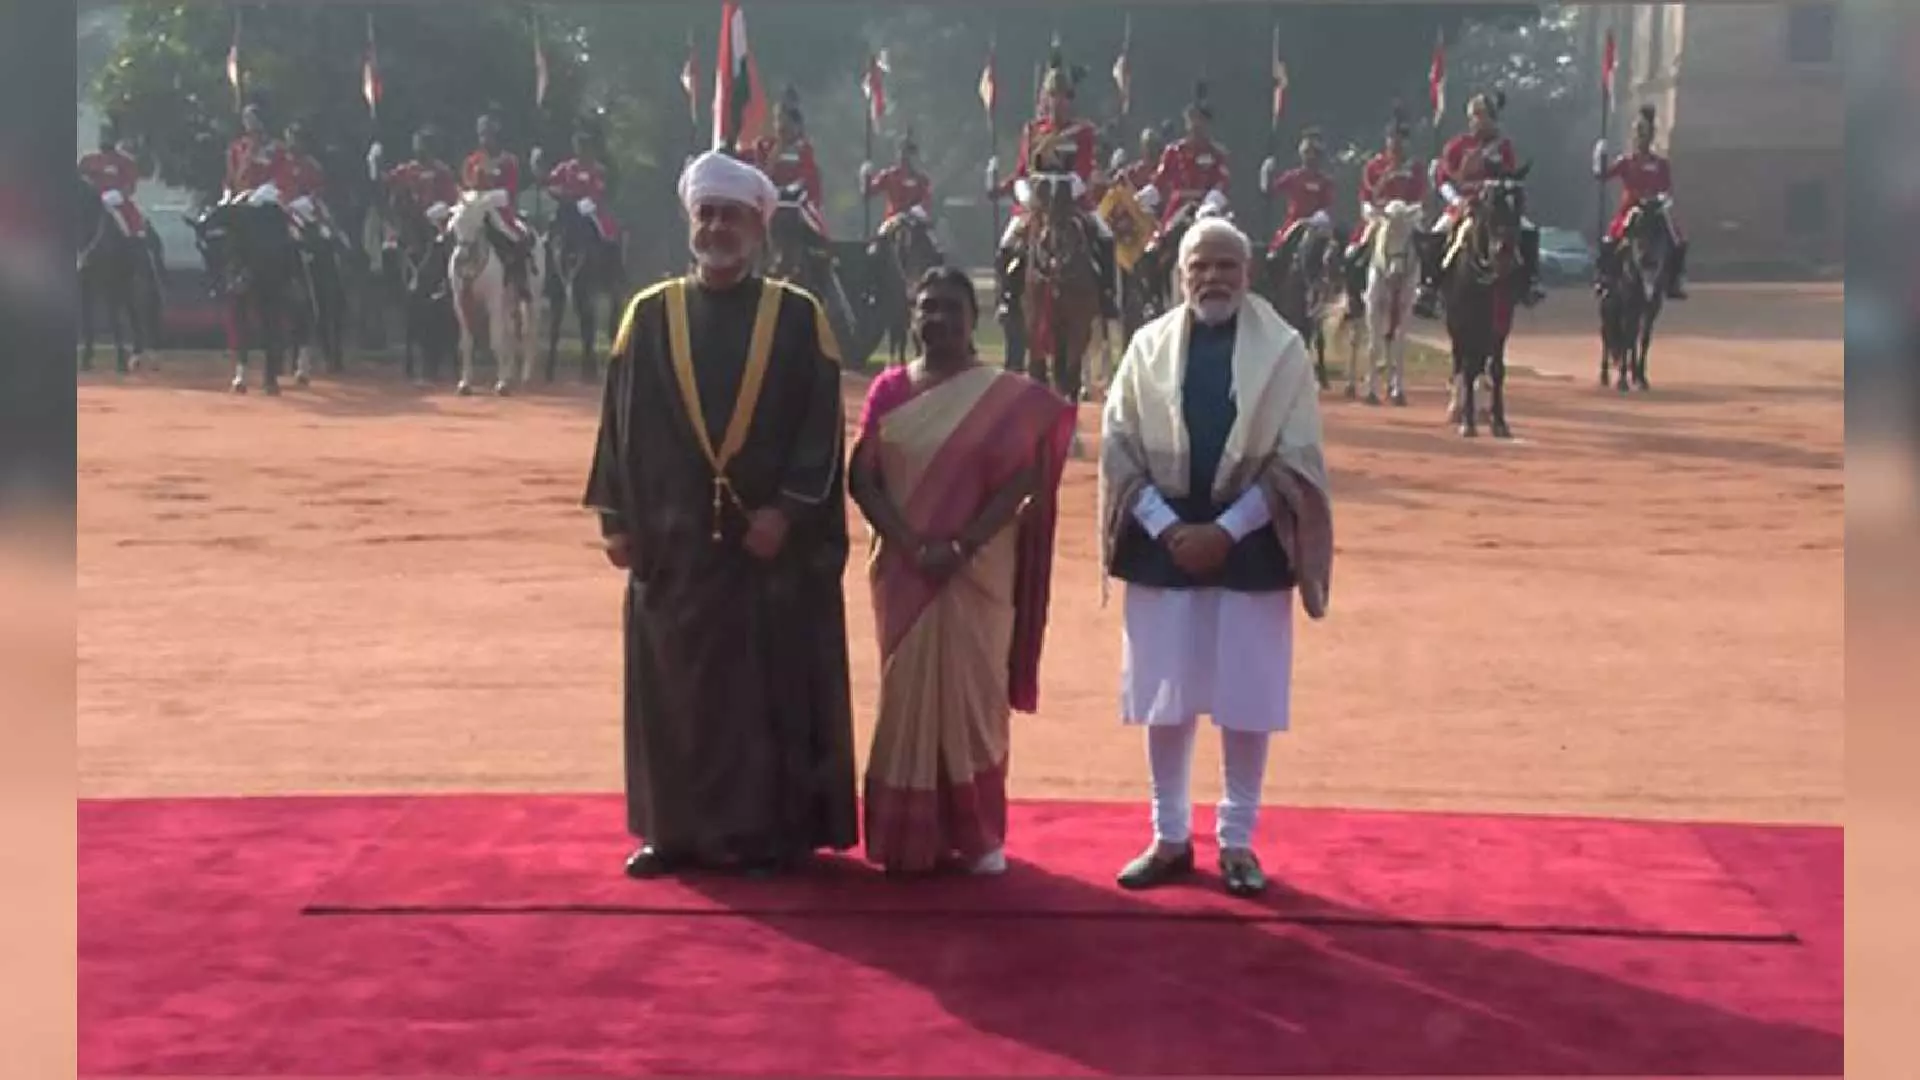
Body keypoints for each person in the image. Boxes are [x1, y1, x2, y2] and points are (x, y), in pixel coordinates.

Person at [582, 150, 860, 879]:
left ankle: (765, 836)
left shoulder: (796, 317)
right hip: (673, 544)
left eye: (731, 216)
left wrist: (786, 513)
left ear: (758, 228)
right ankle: (671, 832)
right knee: (674, 688)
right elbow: (618, 423)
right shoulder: (649, 316)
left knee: (760, 695)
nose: (716, 227)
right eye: (705, 213)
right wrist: (616, 519)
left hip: (766, 549)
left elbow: (819, 430)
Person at [1097, 215, 1333, 899]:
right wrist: (1169, 529)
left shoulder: (1284, 352)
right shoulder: (1145, 347)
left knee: (1245, 699)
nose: (1213, 278)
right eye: (1199, 266)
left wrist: (1225, 532)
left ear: (1248, 273)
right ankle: (1169, 836)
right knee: (1165, 697)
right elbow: (1118, 447)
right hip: (1161, 544)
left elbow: (1295, 460)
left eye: (1226, 265)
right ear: (1180, 275)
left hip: (1252, 546)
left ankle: (1236, 841)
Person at [850, 266, 1076, 877]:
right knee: (906, 697)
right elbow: (862, 479)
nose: (939, 319)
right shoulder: (890, 391)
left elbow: (1026, 478)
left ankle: (977, 835)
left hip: (978, 572)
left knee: (976, 699)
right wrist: (911, 545)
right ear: (912, 317)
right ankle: (907, 838)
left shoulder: (1007, 398)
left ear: (974, 320)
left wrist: (962, 545)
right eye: (927, 307)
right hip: (904, 573)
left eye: (952, 308)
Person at [989, 51, 1120, 321]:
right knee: (1006, 245)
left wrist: (1061, 192)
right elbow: (1023, 171)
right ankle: (1007, 298)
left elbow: (1082, 171)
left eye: (1062, 97)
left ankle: (1107, 296)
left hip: (1072, 201)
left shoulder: (1082, 131)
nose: (1057, 103)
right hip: (1036, 204)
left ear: (1070, 100)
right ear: (1045, 99)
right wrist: (1008, 189)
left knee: (1105, 238)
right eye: (1052, 96)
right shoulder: (1033, 131)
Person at [1414, 90, 1545, 317]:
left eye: (1483, 116)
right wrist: (1457, 201)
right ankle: (1429, 288)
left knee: (1528, 229)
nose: (1478, 121)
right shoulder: (1457, 145)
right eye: (1475, 116)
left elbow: (1510, 177)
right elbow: (1444, 180)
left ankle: (1530, 282)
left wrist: (1498, 189)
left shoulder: (1503, 146)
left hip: (1494, 204)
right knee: (1437, 233)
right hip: (1463, 203)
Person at [1593, 103, 1688, 299]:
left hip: (1655, 208)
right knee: (1611, 238)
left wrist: (1662, 199)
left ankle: (1673, 280)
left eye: (1647, 133)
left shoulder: (1661, 164)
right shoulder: (1626, 162)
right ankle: (1605, 276)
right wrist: (1599, 157)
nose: (1643, 138)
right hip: (1631, 208)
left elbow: (1666, 188)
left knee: (1677, 239)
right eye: (1640, 133)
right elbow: (1603, 175)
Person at [1342, 108, 1428, 317]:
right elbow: (1366, 196)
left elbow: (1420, 197)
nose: (1397, 144)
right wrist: (1374, 212)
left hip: (1407, 217)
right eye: (1393, 138)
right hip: (1380, 217)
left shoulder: (1415, 168)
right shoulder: (1374, 166)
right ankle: (1354, 296)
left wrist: (1412, 213)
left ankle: (1426, 292)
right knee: (1352, 254)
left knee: (1426, 249)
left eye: (1402, 139)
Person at [1139, 84, 1232, 236]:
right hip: (1176, 210)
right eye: (1193, 119)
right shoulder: (1173, 152)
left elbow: (1221, 184)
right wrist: (1142, 199)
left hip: (1205, 210)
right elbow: (1159, 182)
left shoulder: (1217, 155)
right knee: (1160, 242)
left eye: (1201, 120)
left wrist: (1210, 205)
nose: (1196, 125)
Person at [461, 111, 536, 295]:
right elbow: (467, 182)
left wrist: (493, 191)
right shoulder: (472, 161)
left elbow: (510, 189)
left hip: (499, 208)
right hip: (476, 207)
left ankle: (520, 280)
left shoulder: (508, 161)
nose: (485, 139)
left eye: (488, 134)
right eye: (482, 134)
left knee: (516, 238)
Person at [749, 89, 832, 250]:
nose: (782, 125)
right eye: (778, 119)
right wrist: (778, 149)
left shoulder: (804, 149)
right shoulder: (763, 146)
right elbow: (761, 178)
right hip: (770, 202)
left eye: (787, 121)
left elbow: (810, 184)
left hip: (798, 204)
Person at [1259, 126, 1337, 264]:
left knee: (1332, 254)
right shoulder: (1293, 176)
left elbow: (1328, 208)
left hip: (1317, 225)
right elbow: (1269, 192)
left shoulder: (1326, 181)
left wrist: (1314, 220)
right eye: (1307, 152)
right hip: (1294, 223)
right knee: (1275, 255)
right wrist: (1266, 172)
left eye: (1314, 153)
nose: (1310, 157)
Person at [860, 132, 942, 258]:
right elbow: (868, 192)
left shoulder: (922, 180)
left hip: (915, 218)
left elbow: (927, 200)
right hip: (893, 219)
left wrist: (917, 211)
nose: (905, 159)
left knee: (933, 241)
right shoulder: (889, 175)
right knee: (881, 237)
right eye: (903, 154)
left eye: (909, 154)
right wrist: (865, 176)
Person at [542, 123, 623, 245]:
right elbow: (551, 180)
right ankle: (552, 242)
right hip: (568, 203)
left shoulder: (598, 170)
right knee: (558, 215)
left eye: (586, 146)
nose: (582, 150)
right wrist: (553, 188)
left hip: (590, 205)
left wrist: (589, 196)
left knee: (600, 224)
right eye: (580, 146)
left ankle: (602, 243)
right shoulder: (567, 167)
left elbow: (599, 189)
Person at [278, 121, 338, 241]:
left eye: (296, 139)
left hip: (311, 205)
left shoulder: (310, 163)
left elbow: (320, 185)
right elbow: (280, 187)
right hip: (290, 207)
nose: (293, 143)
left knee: (327, 230)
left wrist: (312, 197)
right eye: (290, 139)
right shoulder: (283, 163)